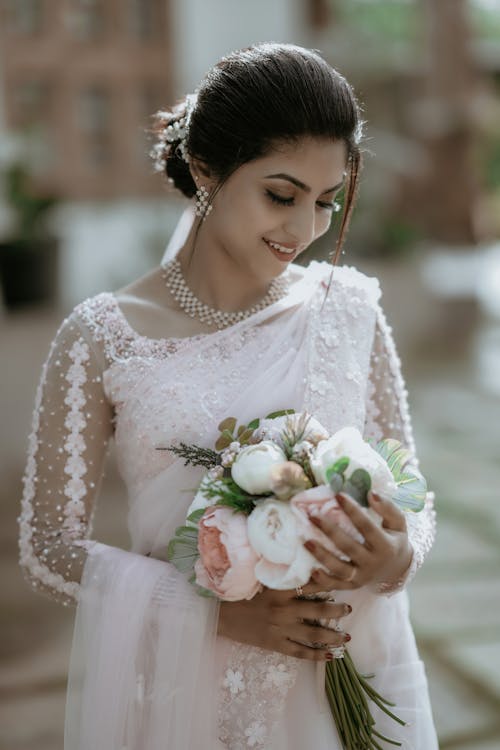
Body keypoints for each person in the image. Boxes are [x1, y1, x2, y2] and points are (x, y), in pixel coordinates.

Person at [18, 42, 438, 749]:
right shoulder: (102, 338)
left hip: (352, 676)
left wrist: (396, 557)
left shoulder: (349, 310)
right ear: (207, 169)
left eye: (326, 202)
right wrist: (214, 615)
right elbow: (46, 547)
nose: (304, 230)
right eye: (281, 194)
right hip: (189, 692)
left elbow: (413, 500)